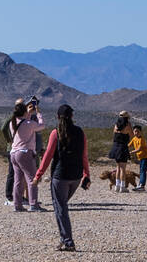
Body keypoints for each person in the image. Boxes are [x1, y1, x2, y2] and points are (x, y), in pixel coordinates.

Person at [32, 104, 90, 251]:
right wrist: (86, 174)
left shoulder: (56, 133)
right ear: (72, 116)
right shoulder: (80, 132)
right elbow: (84, 155)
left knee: (61, 208)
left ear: (58, 117)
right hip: (76, 177)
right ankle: (64, 238)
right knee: (61, 207)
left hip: (61, 176)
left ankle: (68, 242)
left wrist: (38, 175)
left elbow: (47, 156)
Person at [7, 98, 46, 212]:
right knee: (31, 178)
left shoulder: (12, 123)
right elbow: (42, 126)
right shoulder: (29, 124)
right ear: (24, 112)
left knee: (18, 180)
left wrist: (27, 113)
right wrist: (38, 113)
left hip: (14, 154)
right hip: (25, 153)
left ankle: (17, 205)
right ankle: (33, 204)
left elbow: (24, 122)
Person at [108, 111, 133, 192]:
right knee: (123, 168)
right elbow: (132, 135)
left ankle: (117, 186)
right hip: (123, 147)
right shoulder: (128, 124)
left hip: (115, 146)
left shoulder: (116, 124)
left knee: (118, 167)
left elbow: (114, 135)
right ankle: (122, 187)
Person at [129, 124, 147, 191]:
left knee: (143, 171)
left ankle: (142, 185)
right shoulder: (134, 139)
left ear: (140, 132)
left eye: (137, 131)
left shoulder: (142, 139)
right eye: (135, 131)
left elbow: (139, 149)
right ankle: (140, 185)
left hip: (146, 157)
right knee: (141, 171)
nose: (136, 133)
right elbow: (129, 145)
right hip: (141, 157)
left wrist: (130, 152)